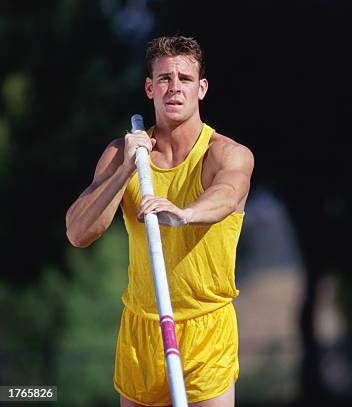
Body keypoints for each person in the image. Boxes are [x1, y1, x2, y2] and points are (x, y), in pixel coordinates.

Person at [65, 35, 254, 407]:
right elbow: (78, 232)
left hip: (205, 327)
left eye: (184, 79)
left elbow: (227, 195)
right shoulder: (122, 153)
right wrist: (124, 171)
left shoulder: (227, 154)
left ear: (201, 88)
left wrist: (184, 214)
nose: (174, 87)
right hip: (141, 328)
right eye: (164, 78)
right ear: (150, 88)